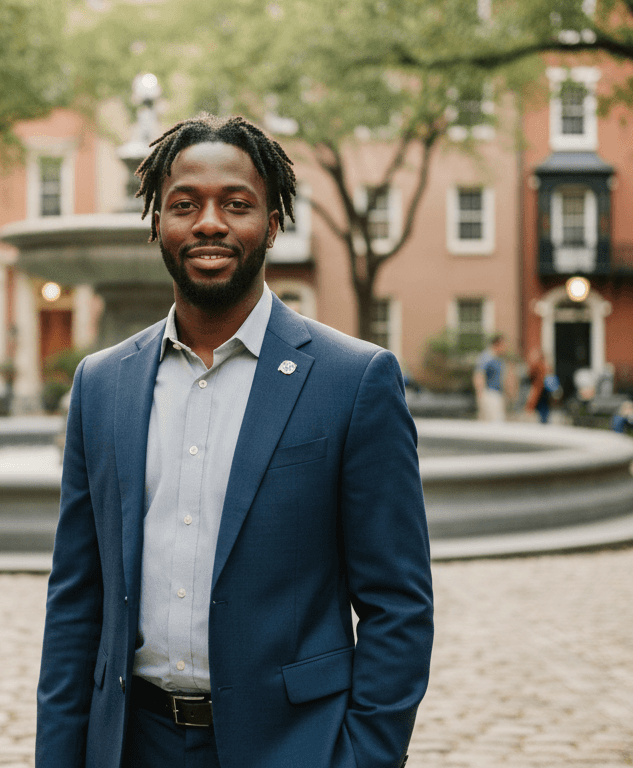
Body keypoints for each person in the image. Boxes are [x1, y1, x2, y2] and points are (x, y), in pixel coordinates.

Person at [36, 115, 434, 768]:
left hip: (293, 747)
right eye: (184, 205)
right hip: (133, 745)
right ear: (157, 223)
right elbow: (76, 604)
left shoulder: (354, 380)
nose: (209, 223)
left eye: (236, 204)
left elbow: (398, 605)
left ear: (273, 222)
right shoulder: (102, 384)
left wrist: (361, 758)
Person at [473, 333, 507, 422]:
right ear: (497, 344)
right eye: (503, 345)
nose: (504, 348)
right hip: (489, 394)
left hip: (496, 394)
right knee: (495, 423)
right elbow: (479, 374)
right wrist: (481, 395)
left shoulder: (498, 359)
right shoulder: (487, 357)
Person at [524, 350, 559, 424]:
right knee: (544, 412)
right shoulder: (544, 366)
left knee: (542, 412)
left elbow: (531, 376)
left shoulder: (539, 366)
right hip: (544, 392)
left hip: (541, 392)